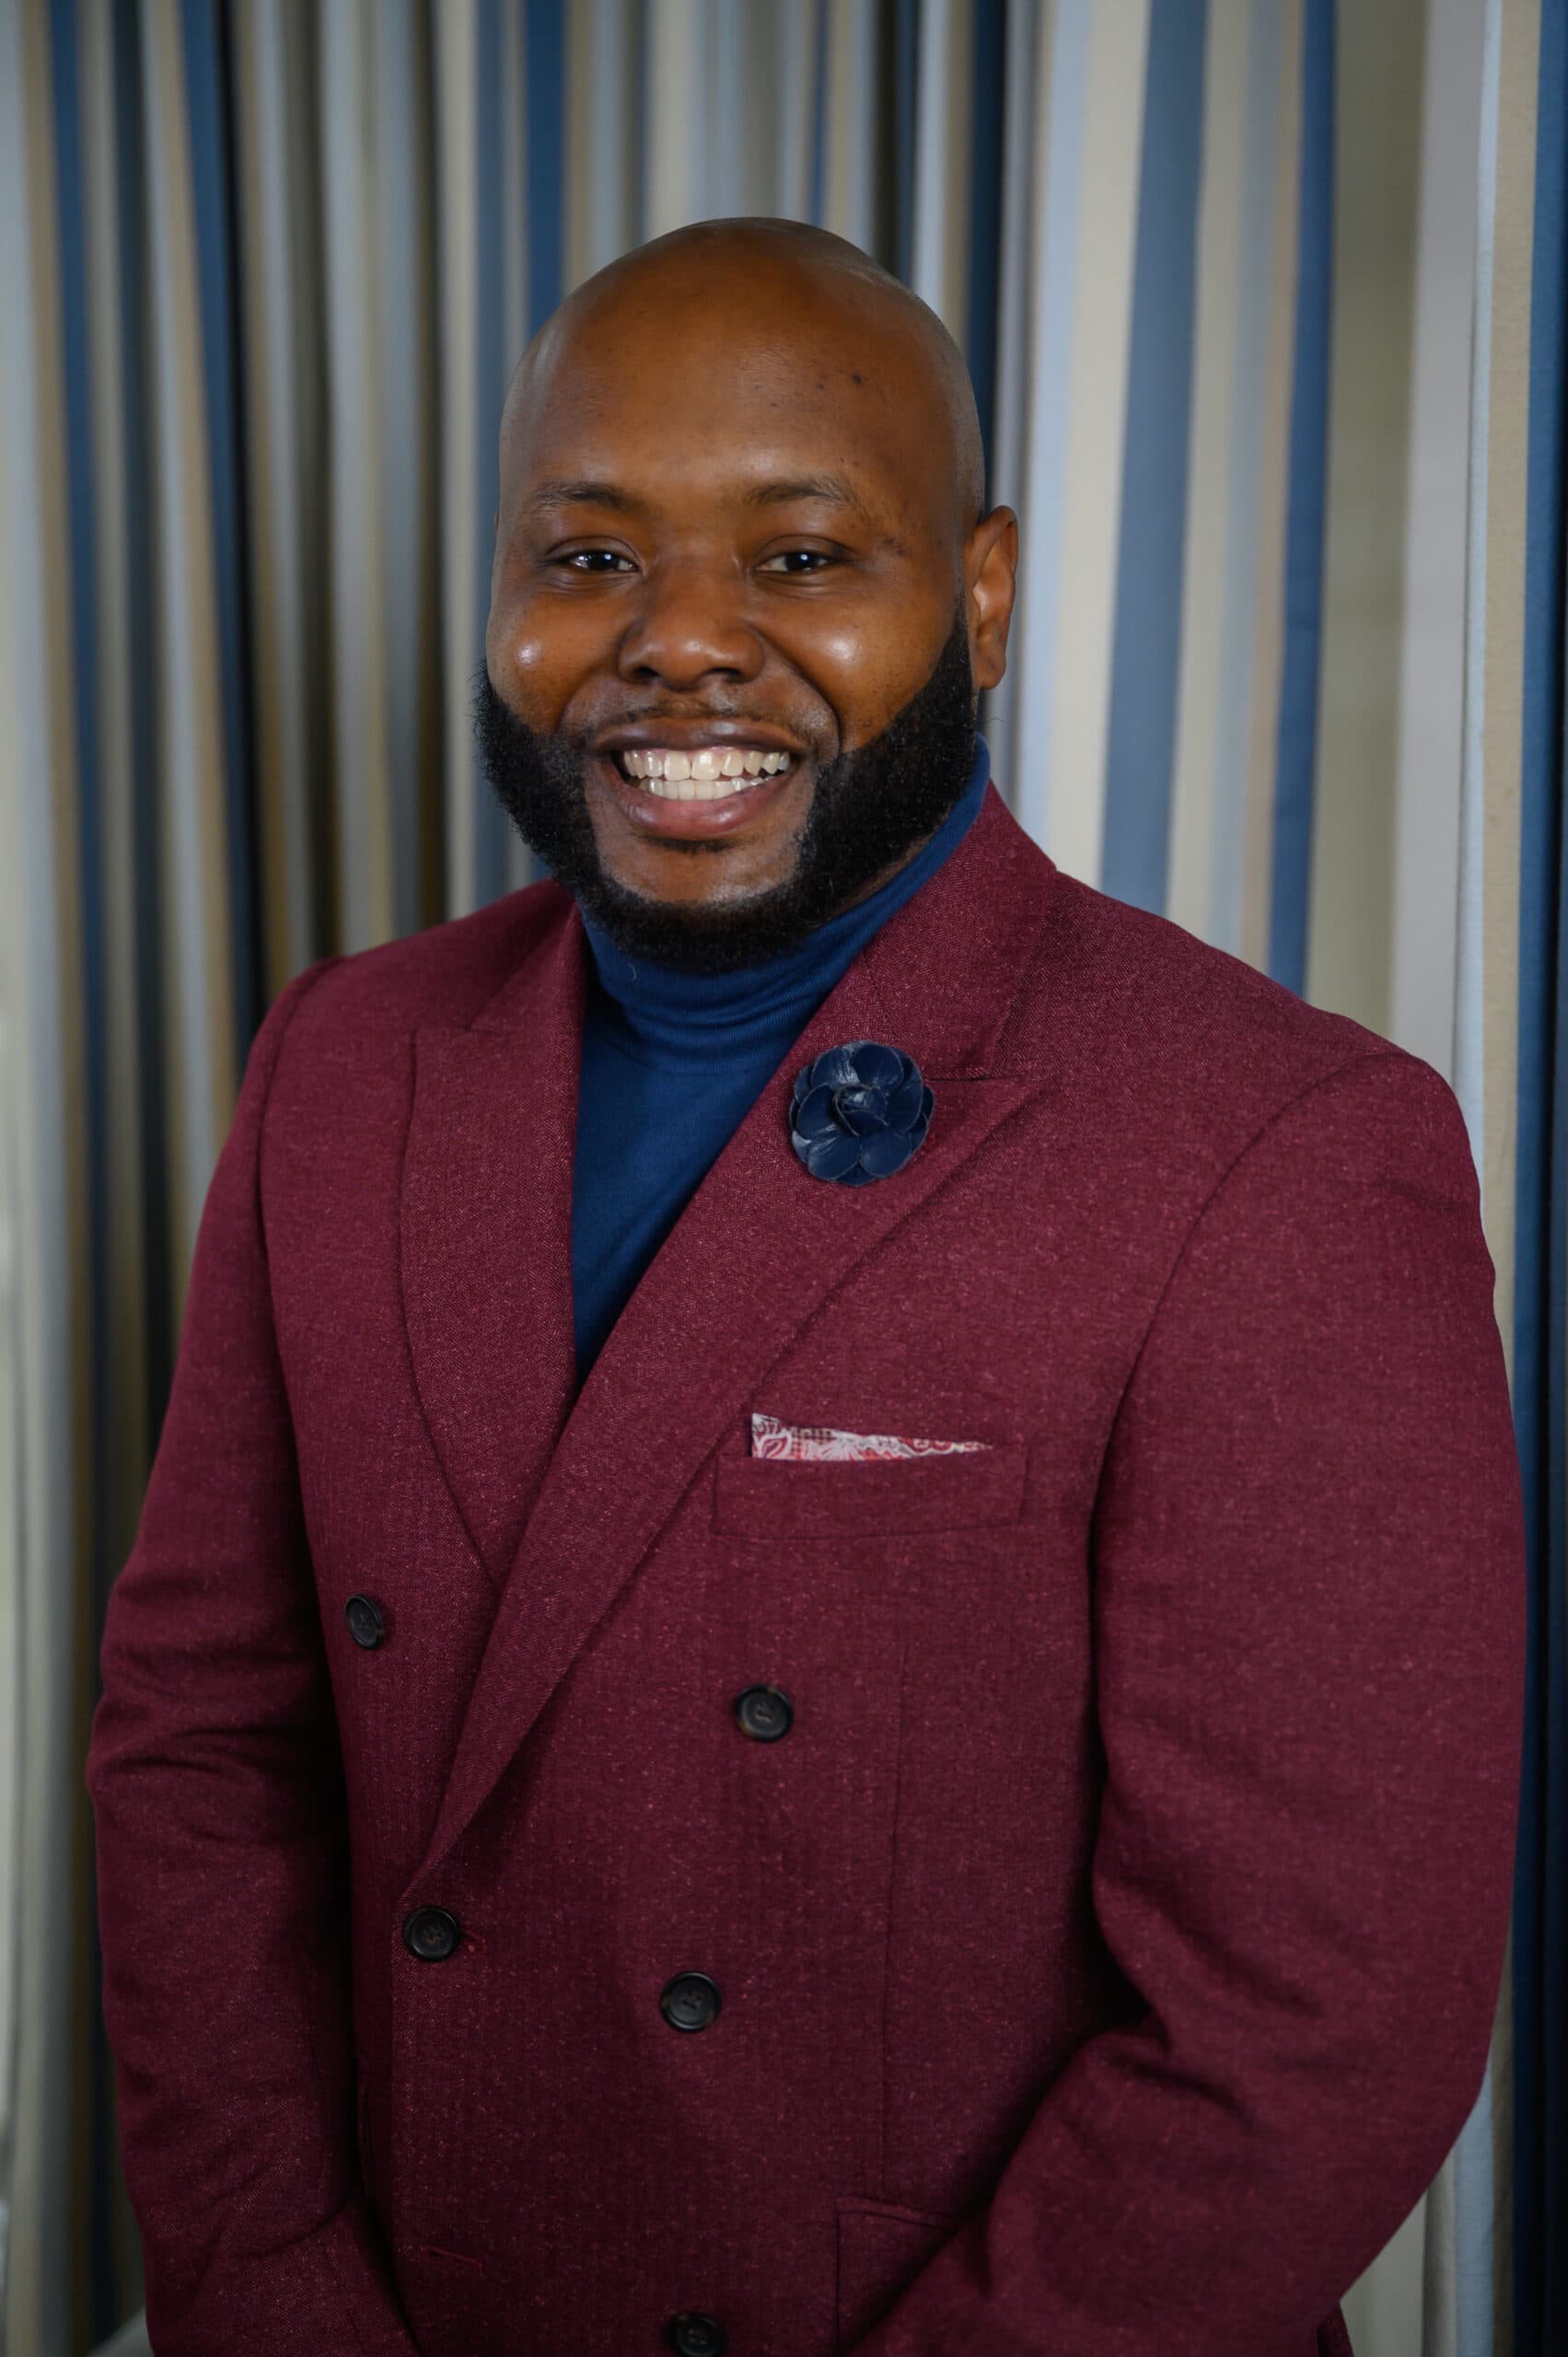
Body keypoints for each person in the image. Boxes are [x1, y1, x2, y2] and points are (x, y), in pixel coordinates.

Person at [87, 218, 1525, 2357]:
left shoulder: (1284, 1146)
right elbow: (203, 1747)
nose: (678, 644)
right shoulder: (346, 1061)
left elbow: (1311, 2031)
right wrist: (278, 2299)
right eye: (587, 558)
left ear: (984, 595)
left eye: (797, 557)